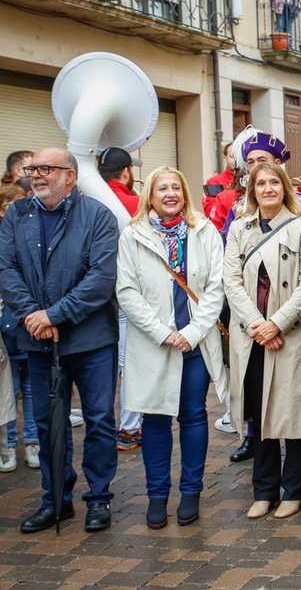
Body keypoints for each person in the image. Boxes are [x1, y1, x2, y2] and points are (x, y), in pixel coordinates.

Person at [0, 147, 120, 533]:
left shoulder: (97, 215)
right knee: (48, 421)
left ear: (70, 175)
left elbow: (101, 279)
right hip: (37, 338)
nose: (36, 175)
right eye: (33, 168)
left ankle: (99, 499)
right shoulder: (17, 214)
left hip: (91, 339)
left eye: (46, 169)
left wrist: (55, 314)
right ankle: (56, 500)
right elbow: (6, 268)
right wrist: (34, 316)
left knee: (99, 420)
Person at [117, 167, 228, 528]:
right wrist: (163, 333)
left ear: (184, 194)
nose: (169, 194)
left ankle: (191, 491)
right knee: (155, 418)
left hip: (194, 343)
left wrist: (193, 332)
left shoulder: (204, 231)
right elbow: (127, 292)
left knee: (193, 415)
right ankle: (157, 495)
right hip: (154, 343)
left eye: (176, 188)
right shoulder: (132, 236)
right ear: (149, 196)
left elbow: (216, 286)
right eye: (162, 188)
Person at [225, 163, 301, 520]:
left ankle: (294, 491)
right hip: (253, 337)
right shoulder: (239, 229)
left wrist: (277, 324)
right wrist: (256, 324)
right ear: (252, 190)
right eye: (260, 183)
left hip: (290, 334)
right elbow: (230, 281)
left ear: (284, 189)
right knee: (259, 414)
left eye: (273, 183)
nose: (267, 188)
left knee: (293, 412)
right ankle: (263, 491)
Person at [97, 146, 143, 452]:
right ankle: (129, 428)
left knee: (101, 362)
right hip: (127, 294)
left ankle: (101, 428)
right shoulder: (136, 203)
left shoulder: (88, 202)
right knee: (129, 362)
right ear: (125, 172)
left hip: (95, 296)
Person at [0, 183, 34, 472]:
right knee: (5, 393)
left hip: (29, 326)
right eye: (9, 206)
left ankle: (32, 442)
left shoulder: (31, 235)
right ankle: (8, 445)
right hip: (5, 331)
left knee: (33, 389)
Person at [202, 142, 236, 219]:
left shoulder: (251, 180)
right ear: (225, 158)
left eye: (239, 156)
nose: (235, 160)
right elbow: (210, 211)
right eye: (232, 156)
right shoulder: (214, 183)